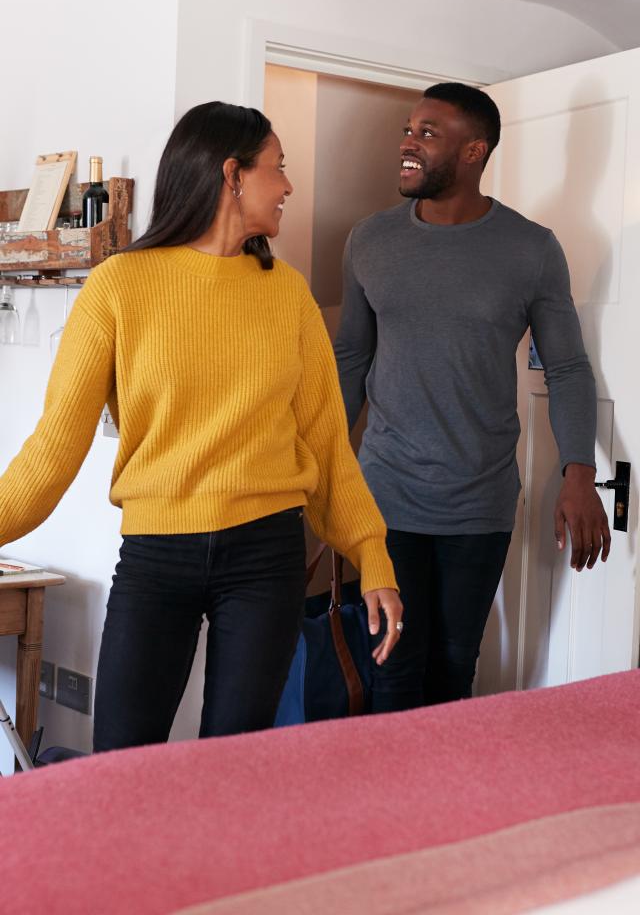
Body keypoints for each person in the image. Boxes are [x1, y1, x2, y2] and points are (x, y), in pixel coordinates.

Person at [0, 102, 402, 750]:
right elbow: (51, 451)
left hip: (266, 556)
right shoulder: (118, 288)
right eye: (279, 168)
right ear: (232, 174)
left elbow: (328, 448)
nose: (289, 185)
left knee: (235, 762)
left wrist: (372, 555)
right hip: (158, 556)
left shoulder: (287, 295)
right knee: (122, 760)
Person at [334, 82, 610, 714]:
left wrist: (579, 475)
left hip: (478, 500)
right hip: (387, 495)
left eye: (428, 133)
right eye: (409, 129)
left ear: (473, 152)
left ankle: (447, 807)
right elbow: (351, 356)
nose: (407, 142)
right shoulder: (370, 241)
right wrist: (320, 465)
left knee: (454, 666)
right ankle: (394, 808)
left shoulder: (531, 249)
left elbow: (567, 367)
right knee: (393, 666)